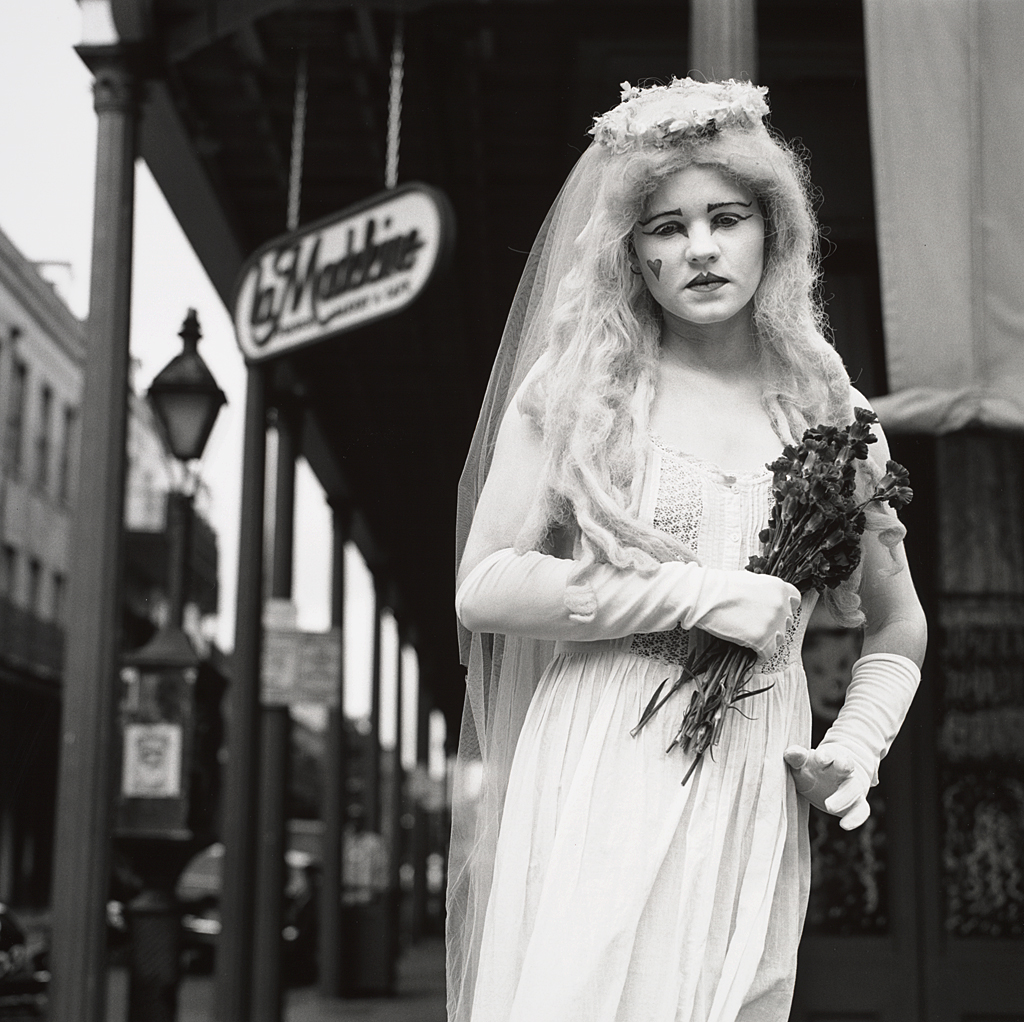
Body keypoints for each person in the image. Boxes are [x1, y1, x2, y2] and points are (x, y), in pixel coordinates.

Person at [447, 78, 927, 1022]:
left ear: (773, 230)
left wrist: (857, 747)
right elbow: (486, 585)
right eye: (665, 227)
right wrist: (694, 594)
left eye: (727, 217)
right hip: (602, 759)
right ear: (631, 250)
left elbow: (899, 624)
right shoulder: (585, 386)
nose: (700, 247)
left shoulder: (832, 414)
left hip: (753, 771)